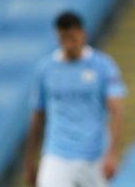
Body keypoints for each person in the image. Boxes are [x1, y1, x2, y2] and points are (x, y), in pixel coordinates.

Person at [23, 11, 126, 187]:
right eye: (64, 38)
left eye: (72, 37)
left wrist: (112, 153)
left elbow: (116, 111)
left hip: (94, 156)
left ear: (82, 33)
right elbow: (37, 116)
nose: (69, 44)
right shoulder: (46, 69)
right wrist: (30, 159)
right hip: (56, 154)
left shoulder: (103, 66)